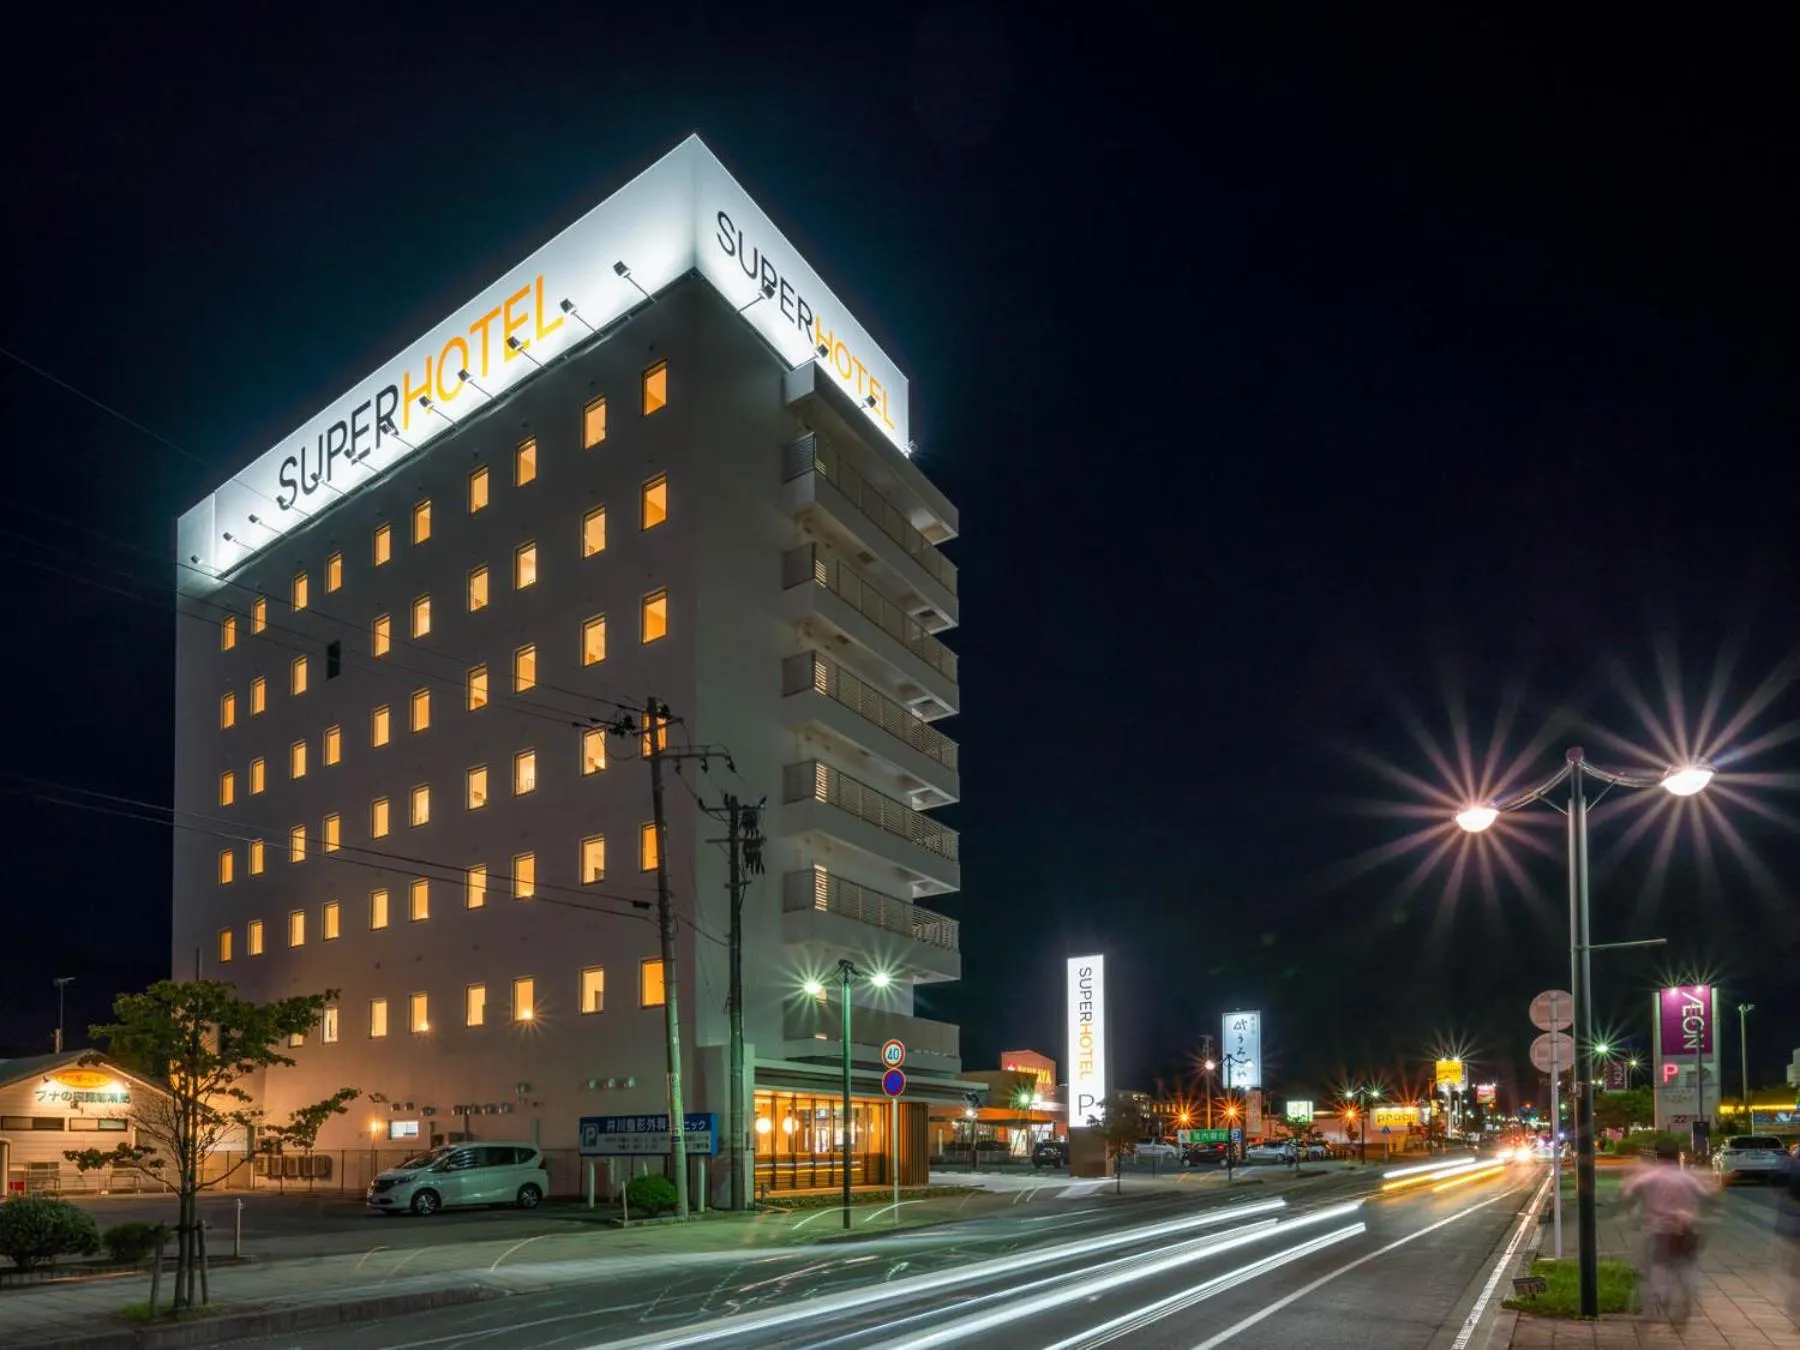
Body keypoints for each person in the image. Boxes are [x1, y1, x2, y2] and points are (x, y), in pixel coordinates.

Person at [1621, 1142, 1713, 1325]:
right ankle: (1687, 1296)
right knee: (1686, 1265)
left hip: (1657, 1229)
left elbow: (1629, 1194)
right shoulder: (1687, 1178)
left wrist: (1630, 1212)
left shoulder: (1650, 1177)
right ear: (1678, 1157)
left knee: (1657, 1265)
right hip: (1685, 1230)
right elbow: (1707, 1196)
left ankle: (1661, 1297)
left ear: (1658, 1157)